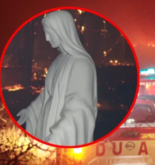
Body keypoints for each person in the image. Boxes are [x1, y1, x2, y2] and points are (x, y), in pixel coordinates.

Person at [16, 10, 98, 146]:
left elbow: (78, 108)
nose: (47, 38)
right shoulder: (58, 61)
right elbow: (47, 95)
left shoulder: (80, 63)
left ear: (62, 31)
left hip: (57, 130)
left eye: (50, 33)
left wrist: (58, 136)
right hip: (46, 121)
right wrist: (30, 112)